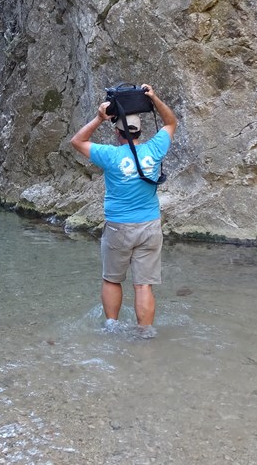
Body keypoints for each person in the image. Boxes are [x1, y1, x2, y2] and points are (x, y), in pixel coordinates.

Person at [70, 84, 177, 337]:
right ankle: (145, 332)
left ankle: (111, 327)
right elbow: (171, 122)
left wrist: (98, 118)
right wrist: (154, 98)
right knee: (143, 285)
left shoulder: (110, 155)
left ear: (118, 134)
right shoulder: (155, 148)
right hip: (150, 226)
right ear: (140, 130)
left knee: (112, 279)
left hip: (119, 227)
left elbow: (77, 141)